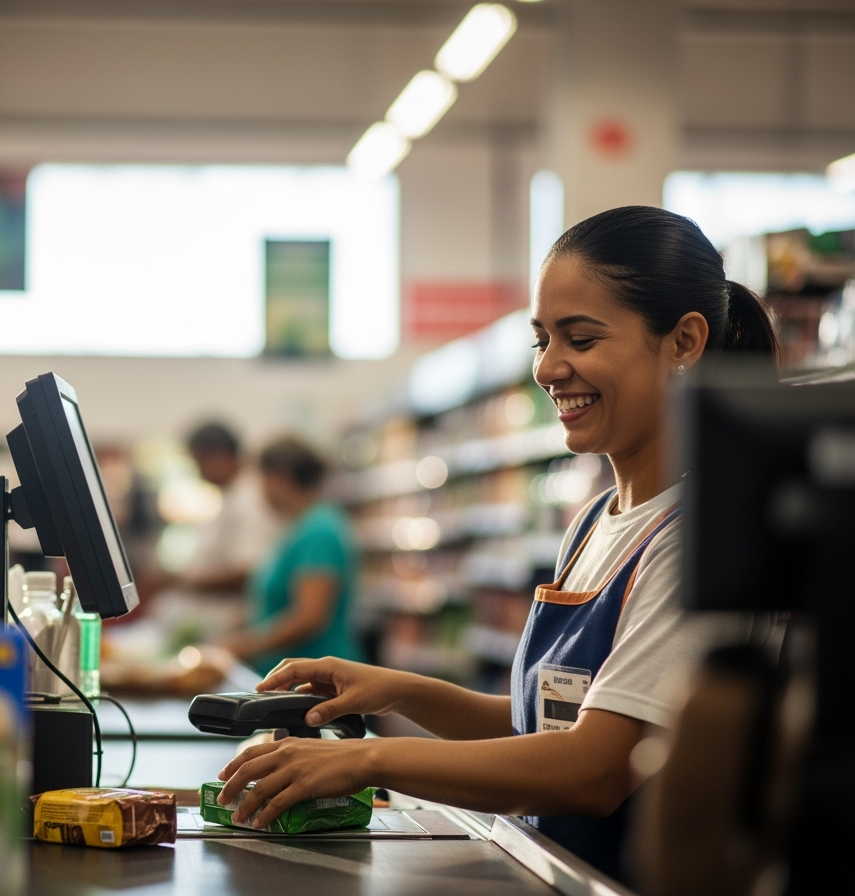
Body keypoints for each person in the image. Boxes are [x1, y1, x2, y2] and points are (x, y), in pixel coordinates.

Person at [215, 206, 784, 881]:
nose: (549, 368)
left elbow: (594, 768)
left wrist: (365, 759)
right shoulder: (594, 521)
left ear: (684, 342)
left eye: (580, 338)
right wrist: (394, 692)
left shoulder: (699, 537)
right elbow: (541, 730)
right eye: (541, 339)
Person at [218, 436, 362, 675]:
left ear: (280, 476)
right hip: (293, 677)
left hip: (315, 681)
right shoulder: (297, 527)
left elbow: (310, 617)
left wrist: (246, 645)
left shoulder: (319, 530)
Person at [150, 422, 282, 639]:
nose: (199, 473)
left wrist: (186, 581)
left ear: (221, 456)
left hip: (232, 622)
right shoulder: (232, 497)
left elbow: (251, 570)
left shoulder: (252, 501)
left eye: (200, 463)